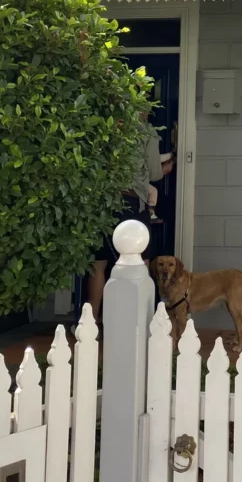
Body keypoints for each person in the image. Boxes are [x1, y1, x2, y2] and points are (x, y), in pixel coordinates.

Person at [86, 110, 174, 327]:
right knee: (140, 261)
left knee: (98, 264)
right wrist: (166, 168)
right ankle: (139, 321)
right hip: (132, 203)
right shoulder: (145, 131)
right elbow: (154, 172)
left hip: (103, 202)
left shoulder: (103, 124)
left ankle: (91, 321)